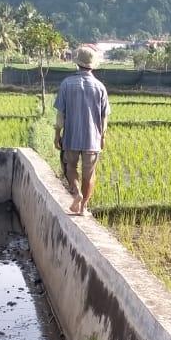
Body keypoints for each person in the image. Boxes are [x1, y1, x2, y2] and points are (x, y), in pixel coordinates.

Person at [55, 45, 110, 216]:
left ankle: (77, 193)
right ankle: (83, 208)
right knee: (89, 174)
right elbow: (104, 117)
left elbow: (60, 114)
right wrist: (103, 137)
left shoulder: (66, 84)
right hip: (92, 139)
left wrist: (57, 134)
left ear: (77, 63)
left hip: (71, 136)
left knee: (70, 166)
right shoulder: (100, 87)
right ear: (92, 65)